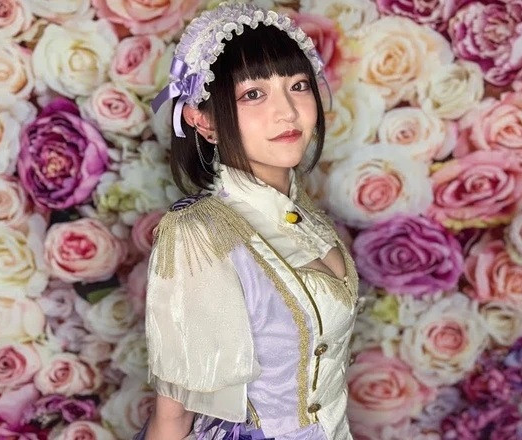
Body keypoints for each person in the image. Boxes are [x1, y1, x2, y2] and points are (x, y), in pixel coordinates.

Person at [136, 2, 362, 439]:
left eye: (298, 86)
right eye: (253, 94)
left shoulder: (306, 215)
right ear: (204, 121)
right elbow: (174, 416)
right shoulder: (199, 235)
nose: (288, 112)